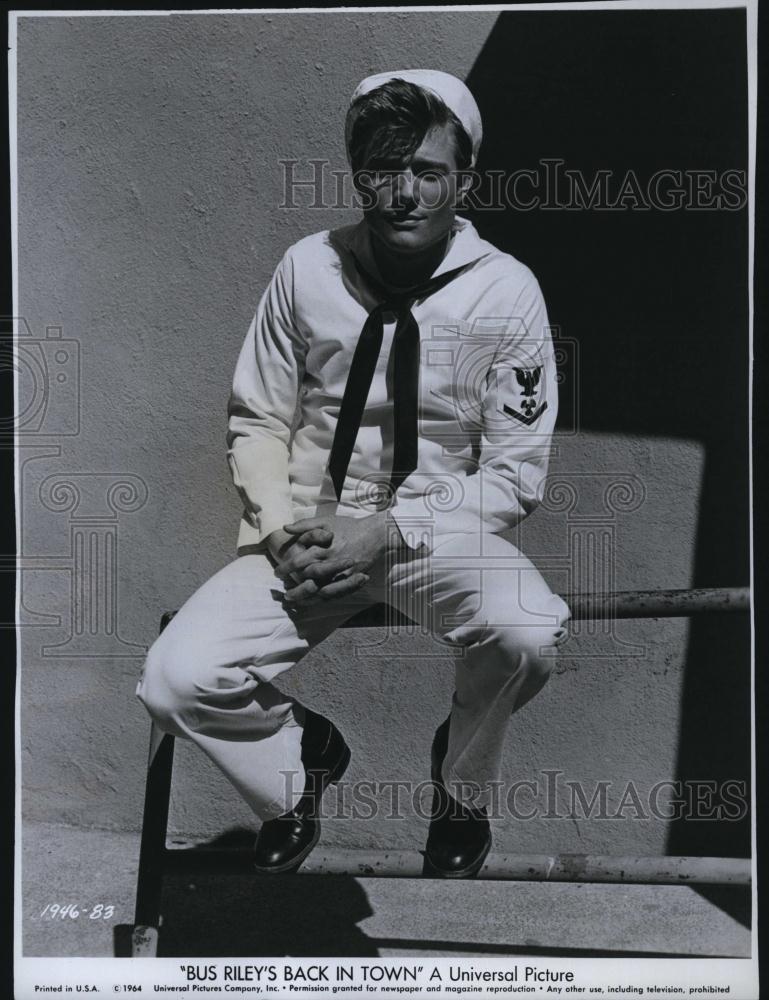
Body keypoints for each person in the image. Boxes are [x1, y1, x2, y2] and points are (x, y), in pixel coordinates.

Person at [136, 69, 570, 879]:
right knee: (174, 681)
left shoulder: (506, 291)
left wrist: (383, 529)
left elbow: (515, 475)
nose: (403, 193)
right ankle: (298, 765)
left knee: (526, 631)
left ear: (464, 178)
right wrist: (277, 529)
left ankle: (460, 786)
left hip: (428, 532)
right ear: (356, 175)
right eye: (381, 170)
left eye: (427, 172)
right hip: (307, 532)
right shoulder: (308, 268)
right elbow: (258, 418)